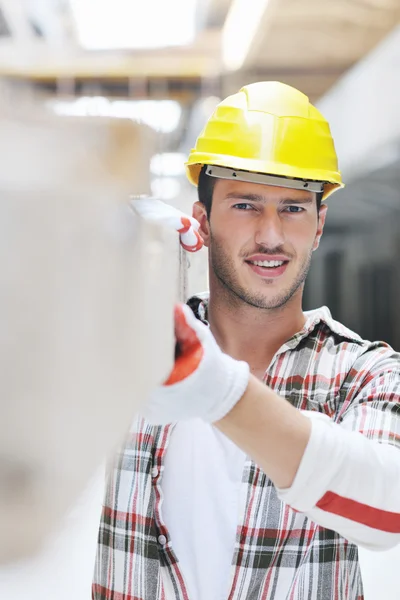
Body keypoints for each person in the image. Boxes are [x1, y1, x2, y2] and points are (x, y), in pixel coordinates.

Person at [92, 81, 400, 600]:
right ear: (202, 221)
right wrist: (99, 243)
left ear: (320, 225)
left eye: (294, 208)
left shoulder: (364, 371)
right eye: (246, 205)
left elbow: (388, 510)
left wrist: (216, 389)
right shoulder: (132, 348)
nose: (272, 235)